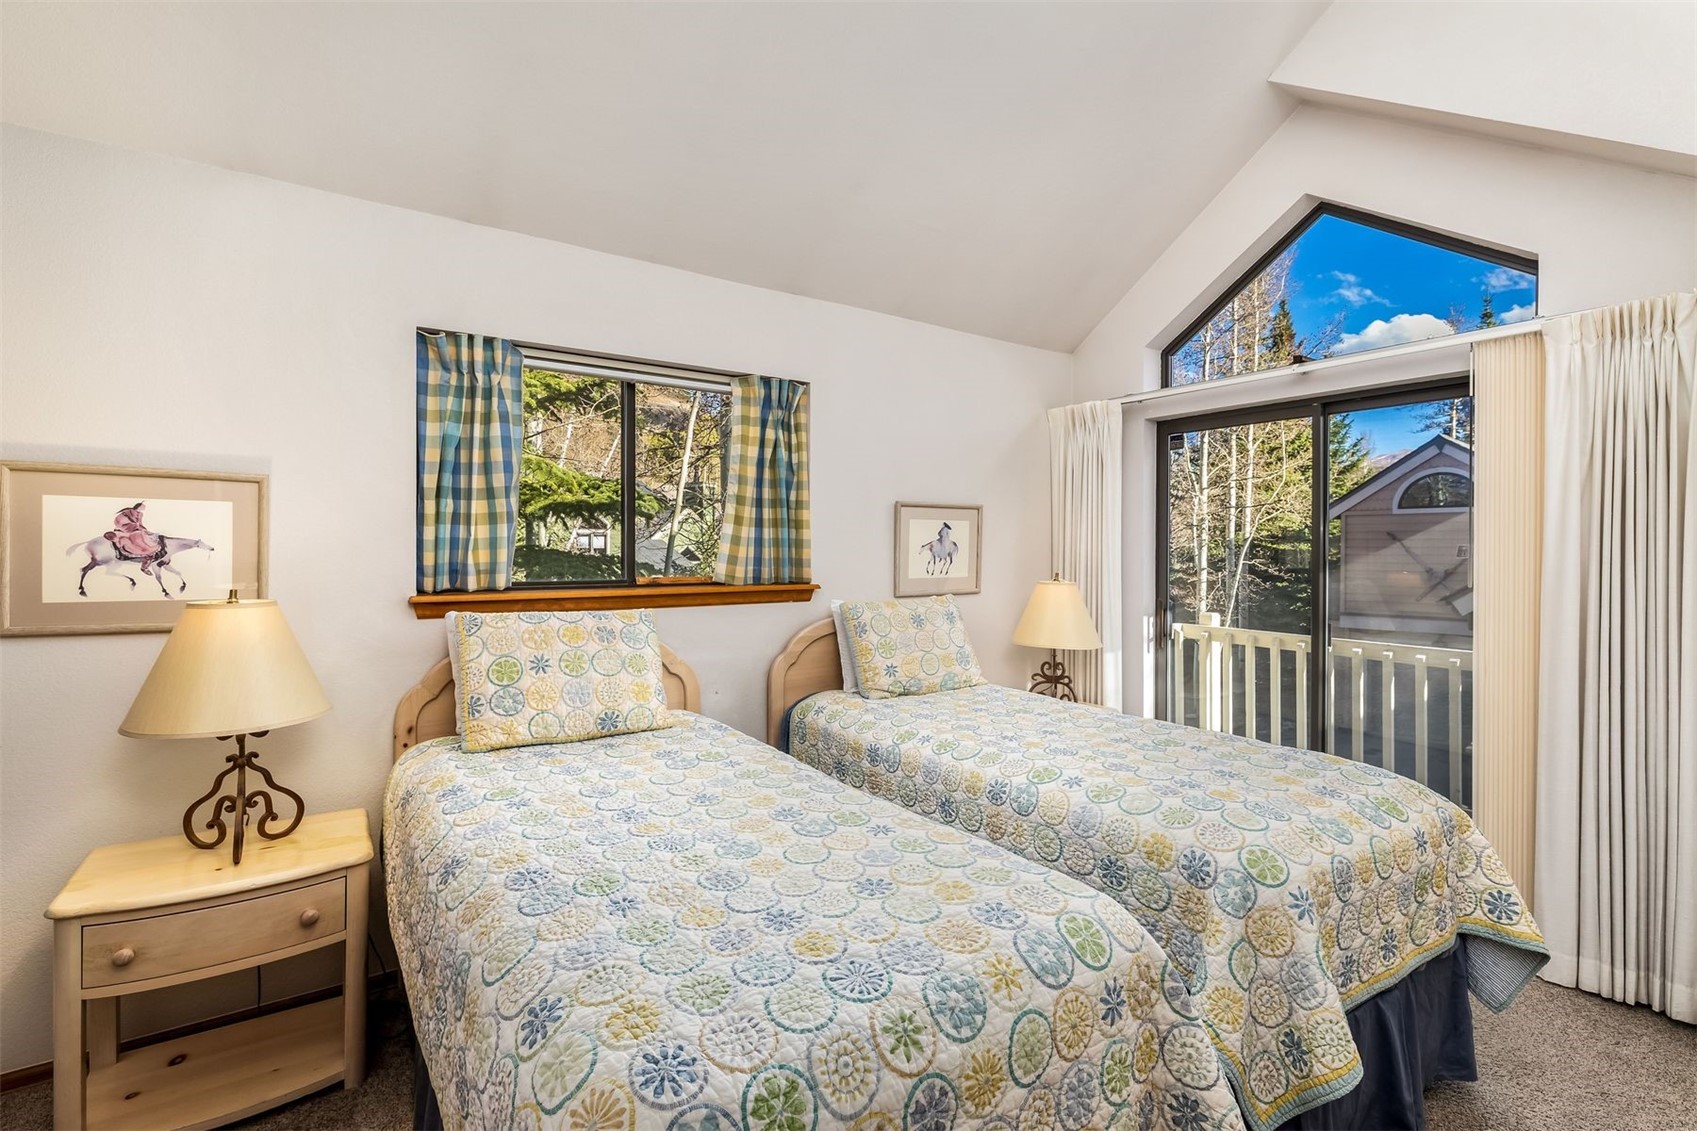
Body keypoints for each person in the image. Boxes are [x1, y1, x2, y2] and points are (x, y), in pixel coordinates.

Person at [105, 502, 163, 572]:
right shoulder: (123, 515)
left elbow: (140, 524)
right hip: (124, 532)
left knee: (149, 537)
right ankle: (144, 565)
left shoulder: (140, 514)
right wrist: (129, 531)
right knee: (138, 544)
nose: (141, 512)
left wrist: (143, 530)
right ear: (137, 507)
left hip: (137, 531)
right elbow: (118, 524)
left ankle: (151, 554)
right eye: (141, 509)